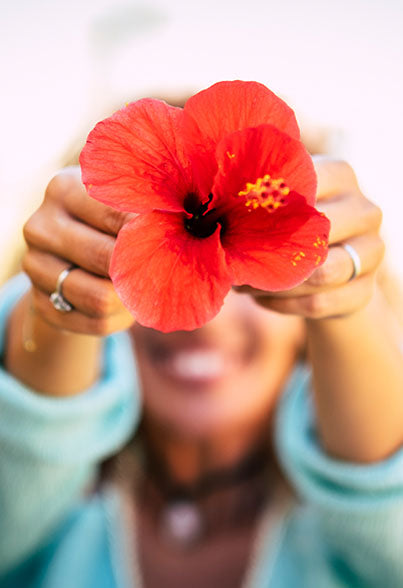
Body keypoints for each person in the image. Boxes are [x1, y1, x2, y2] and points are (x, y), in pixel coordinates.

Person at [0, 156, 402, 588]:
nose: (206, 321)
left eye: (239, 276)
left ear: (307, 328)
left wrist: (349, 300)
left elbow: (381, 496)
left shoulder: (349, 539)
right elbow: (29, 440)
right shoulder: (41, 519)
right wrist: (62, 292)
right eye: (161, 273)